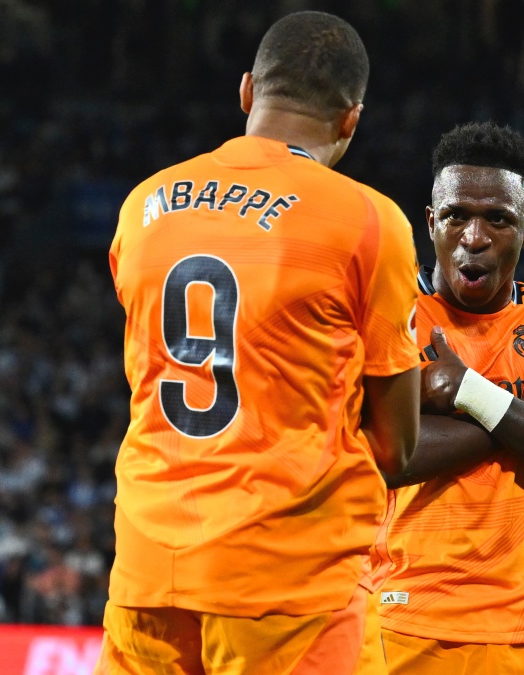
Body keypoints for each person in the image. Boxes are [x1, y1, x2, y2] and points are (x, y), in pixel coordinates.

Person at [98, 11, 421, 675]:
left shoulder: (143, 205)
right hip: (288, 582)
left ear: (247, 91)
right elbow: (396, 445)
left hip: (148, 565)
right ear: (351, 119)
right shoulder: (368, 219)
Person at [375, 122, 524, 673]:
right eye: (457, 214)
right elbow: (390, 457)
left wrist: (465, 392)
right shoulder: (388, 313)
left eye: (498, 219)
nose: (475, 236)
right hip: (407, 621)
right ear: (431, 220)